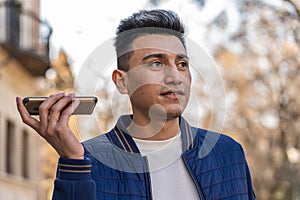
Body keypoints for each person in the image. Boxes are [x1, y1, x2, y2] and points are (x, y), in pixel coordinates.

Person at [16, 9, 255, 200]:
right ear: (122, 81)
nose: (175, 76)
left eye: (181, 64)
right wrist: (73, 162)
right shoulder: (85, 159)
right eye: (156, 63)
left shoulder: (228, 152)